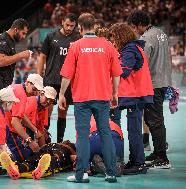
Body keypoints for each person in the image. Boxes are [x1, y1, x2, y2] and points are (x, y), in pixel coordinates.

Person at [58, 13, 122, 183]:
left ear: (80, 28)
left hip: (82, 99)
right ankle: (111, 173)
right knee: (105, 134)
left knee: (83, 136)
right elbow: (116, 74)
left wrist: (61, 94)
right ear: (94, 26)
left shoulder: (76, 46)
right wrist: (115, 93)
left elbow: (66, 75)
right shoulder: (108, 46)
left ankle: (82, 174)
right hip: (102, 97)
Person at [128, 10, 172, 169]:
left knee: (154, 120)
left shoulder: (145, 38)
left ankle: (162, 157)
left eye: (134, 26)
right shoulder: (161, 33)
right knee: (154, 119)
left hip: (153, 83)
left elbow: (141, 62)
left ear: (140, 25)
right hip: (163, 80)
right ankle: (158, 152)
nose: (134, 30)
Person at [109, 23, 154, 175]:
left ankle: (139, 164)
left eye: (114, 37)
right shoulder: (133, 48)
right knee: (133, 129)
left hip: (136, 96)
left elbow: (123, 72)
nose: (113, 41)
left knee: (134, 130)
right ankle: (135, 161)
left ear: (121, 36)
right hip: (136, 96)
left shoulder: (130, 50)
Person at [37, 13, 81, 143]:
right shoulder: (51, 36)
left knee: (63, 112)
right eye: (67, 25)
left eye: (72, 26)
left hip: (67, 81)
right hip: (51, 79)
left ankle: (60, 141)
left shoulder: (78, 38)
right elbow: (42, 56)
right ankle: (45, 141)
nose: (69, 28)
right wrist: (39, 76)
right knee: (47, 111)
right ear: (62, 22)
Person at [0, 18, 32, 103]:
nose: (24, 37)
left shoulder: (10, 40)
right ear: (16, 30)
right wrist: (21, 55)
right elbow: (0, 62)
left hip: (3, 82)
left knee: (4, 113)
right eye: (23, 33)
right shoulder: (4, 39)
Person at [5, 74, 44, 161]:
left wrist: (35, 130)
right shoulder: (21, 94)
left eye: (37, 91)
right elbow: (15, 122)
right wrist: (29, 141)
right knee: (23, 157)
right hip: (4, 126)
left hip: (0, 123)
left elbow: (21, 115)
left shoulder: (18, 88)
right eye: (34, 89)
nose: (34, 93)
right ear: (27, 83)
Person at [0, 140, 76, 180]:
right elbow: (75, 158)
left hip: (47, 147)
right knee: (56, 158)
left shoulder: (63, 145)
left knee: (34, 159)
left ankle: (17, 167)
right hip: (62, 151)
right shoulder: (73, 148)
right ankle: (44, 169)